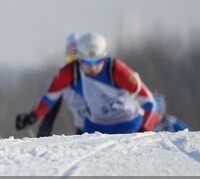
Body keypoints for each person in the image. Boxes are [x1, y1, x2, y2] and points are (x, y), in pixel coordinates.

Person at [15, 32, 161, 135]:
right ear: (78, 58)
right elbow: (50, 98)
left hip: (129, 126)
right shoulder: (69, 72)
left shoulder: (117, 70)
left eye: (97, 62)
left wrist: (144, 131)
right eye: (86, 62)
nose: (92, 67)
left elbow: (151, 103)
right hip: (96, 129)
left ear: (104, 57)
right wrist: (31, 116)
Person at [33, 32, 81, 136]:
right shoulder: (66, 73)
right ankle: (43, 134)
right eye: (71, 57)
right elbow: (50, 100)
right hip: (83, 124)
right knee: (55, 99)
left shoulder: (92, 73)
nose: (75, 63)